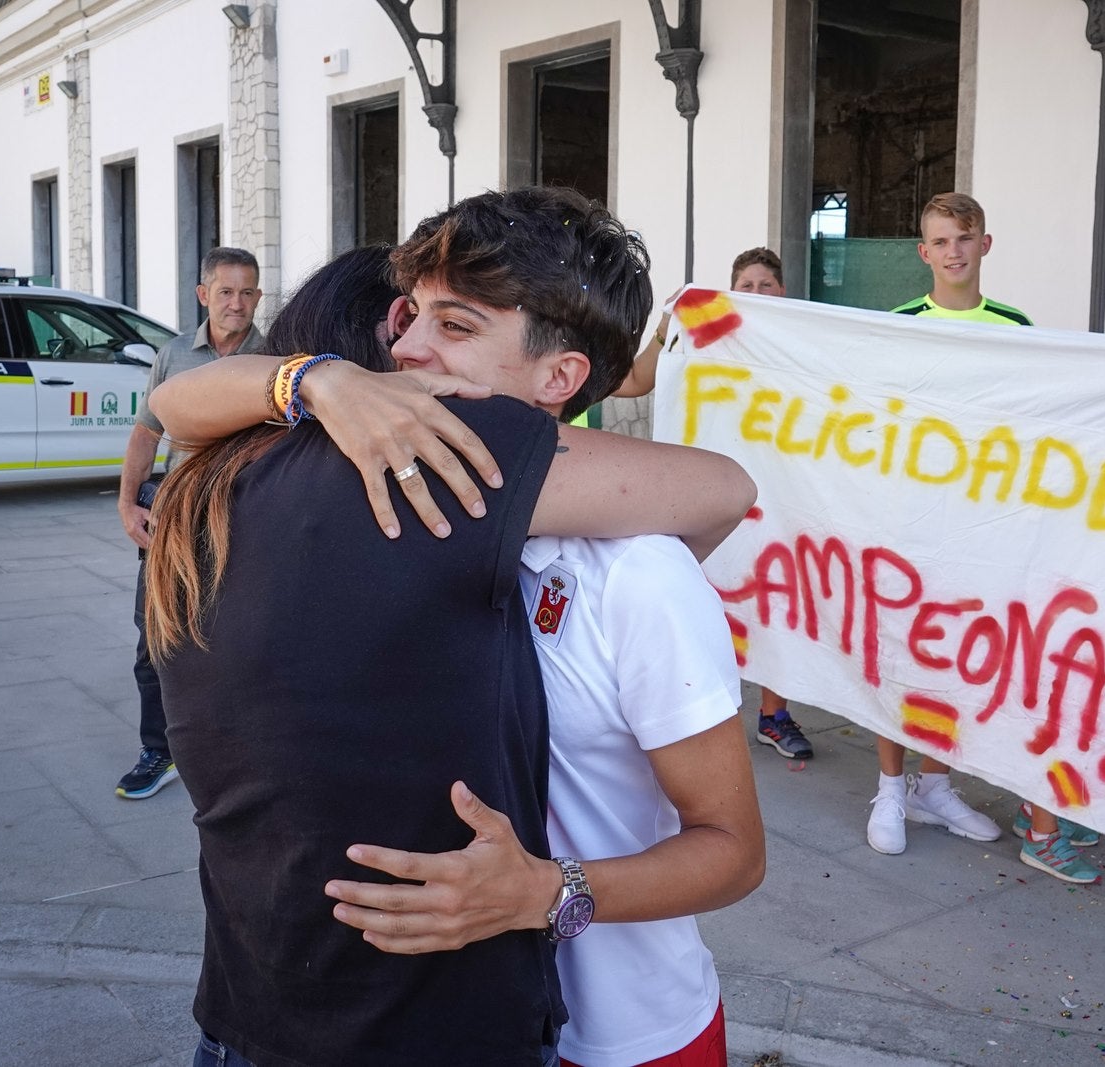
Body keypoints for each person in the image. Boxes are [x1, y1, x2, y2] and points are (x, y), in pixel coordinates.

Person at [144, 190, 759, 1066]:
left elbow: (735, 849)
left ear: (560, 380)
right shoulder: (408, 514)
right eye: (407, 317)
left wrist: (550, 893)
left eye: (455, 325)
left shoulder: (636, 570)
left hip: (628, 1026)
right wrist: (322, 380)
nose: (403, 350)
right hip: (484, 1015)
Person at [866, 192, 1098, 885]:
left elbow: (1041, 420)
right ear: (923, 252)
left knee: (961, 657)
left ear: (985, 244)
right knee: (899, 657)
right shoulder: (899, 326)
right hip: (911, 521)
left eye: (964, 238)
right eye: (940, 240)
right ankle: (889, 789)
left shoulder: (1015, 325)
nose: (954, 251)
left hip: (985, 527)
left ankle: (935, 786)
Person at [613, 246, 815, 762]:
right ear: (730, 291)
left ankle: (774, 715)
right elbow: (636, 381)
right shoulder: (702, 337)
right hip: (713, 492)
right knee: (707, 597)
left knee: (777, 603)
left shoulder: (796, 343)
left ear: (783, 293)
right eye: (745, 285)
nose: (756, 294)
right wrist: (667, 324)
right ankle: (697, 709)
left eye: (766, 285)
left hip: (778, 492)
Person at [113, 246, 263, 800]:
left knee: (237, 640)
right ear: (204, 295)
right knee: (153, 641)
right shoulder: (174, 355)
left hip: (244, 521)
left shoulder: (275, 359)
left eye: (248, 292)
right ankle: (160, 750)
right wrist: (128, 504)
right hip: (171, 521)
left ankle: (240, 749)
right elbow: (145, 434)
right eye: (226, 292)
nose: (237, 303)